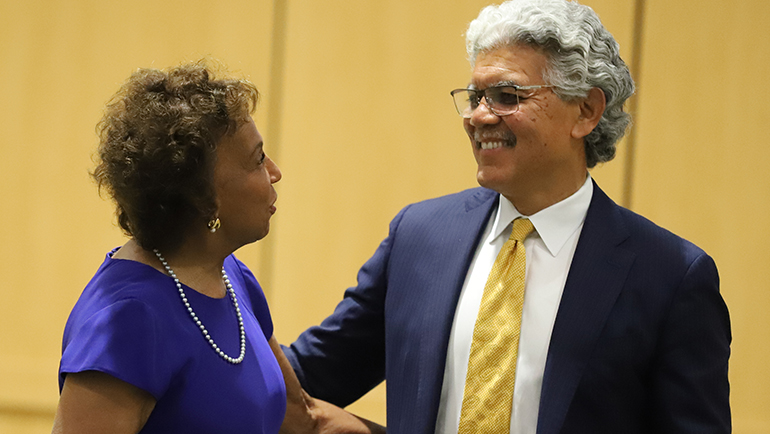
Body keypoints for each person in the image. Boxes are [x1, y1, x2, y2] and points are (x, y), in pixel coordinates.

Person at [284, 1, 731, 433]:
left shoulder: (671, 277)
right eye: (476, 96)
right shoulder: (419, 237)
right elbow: (308, 377)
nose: (478, 117)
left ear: (587, 111)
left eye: (506, 96)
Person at [53, 61, 384, 434]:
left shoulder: (232, 276)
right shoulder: (128, 321)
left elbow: (303, 419)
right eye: (257, 160)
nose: (274, 172)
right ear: (203, 199)